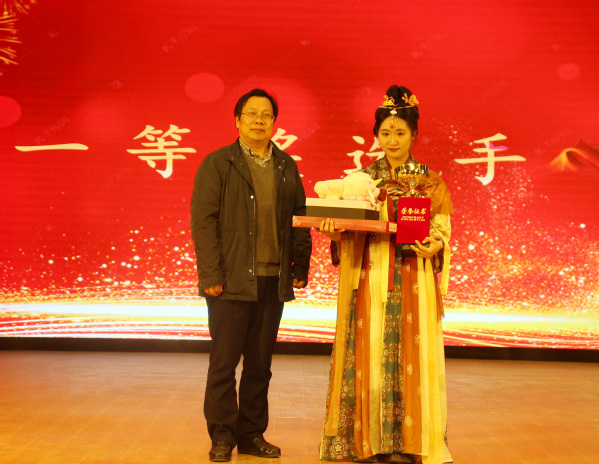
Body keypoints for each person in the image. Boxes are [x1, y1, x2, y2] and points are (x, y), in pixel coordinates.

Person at [318, 85, 454, 463]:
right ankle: (370, 441)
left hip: (413, 276)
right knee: (370, 352)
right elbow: (346, 229)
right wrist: (334, 232)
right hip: (370, 273)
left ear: (414, 134)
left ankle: (412, 442)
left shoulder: (429, 180)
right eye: (385, 133)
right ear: (376, 136)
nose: (392, 140)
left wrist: (436, 245)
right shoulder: (360, 181)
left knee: (414, 353)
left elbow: (442, 230)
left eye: (400, 133)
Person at [190, 88, 312, 462]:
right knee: (224, 364)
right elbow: (203, 221)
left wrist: (301, 264)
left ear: (274, 122)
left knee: (260, 366)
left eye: (266, 115)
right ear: (238, 120)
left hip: (272, 280)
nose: (259, 120)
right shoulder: (218, 163)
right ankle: (222, 435)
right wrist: (210, 273)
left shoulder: (286, 165)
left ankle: (251, 435)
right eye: (251, 114)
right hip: (229, 280)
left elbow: (300, 216)